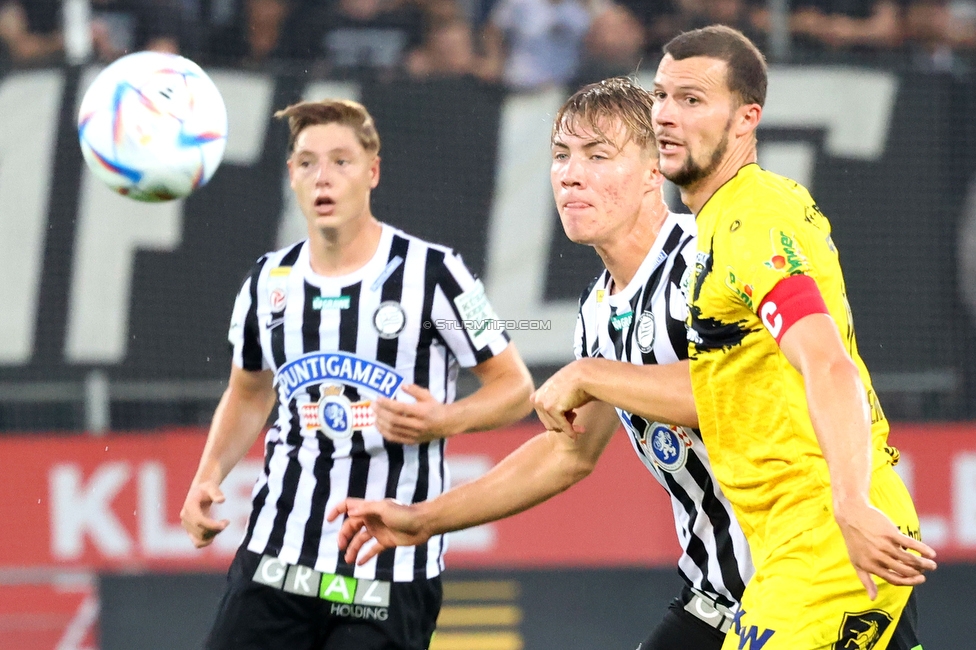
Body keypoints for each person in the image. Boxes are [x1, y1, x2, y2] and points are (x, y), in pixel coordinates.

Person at [534, 26, 935, 649]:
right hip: (782, 540)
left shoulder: (750, 222)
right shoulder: (718, 226)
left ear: (747, 118)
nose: (666, 115)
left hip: (823, 530)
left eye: (692, 100)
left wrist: (852, 504)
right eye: (661, 96)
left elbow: (828, 364)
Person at [329, 77, 755, 650]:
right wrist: (423, 519)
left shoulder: (707, 261)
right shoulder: (599, 312)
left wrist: (588, 373)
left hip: (815, 583)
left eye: (598, 155)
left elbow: (741, 395)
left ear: (656, 170)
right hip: (717, 599)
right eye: (560, 156)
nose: (570, 175)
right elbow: (568, 452)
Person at [179, 98, 533, 650]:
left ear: (373, 171)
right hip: (277, 560)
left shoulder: (436, 274)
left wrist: (444, 419)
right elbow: (249, 393)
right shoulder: (266, 283)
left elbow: (516, 389)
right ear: (291, 177)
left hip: (386, 572)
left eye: (341, 161)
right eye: (306, 162)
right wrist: (208, 477)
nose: (323, 177)